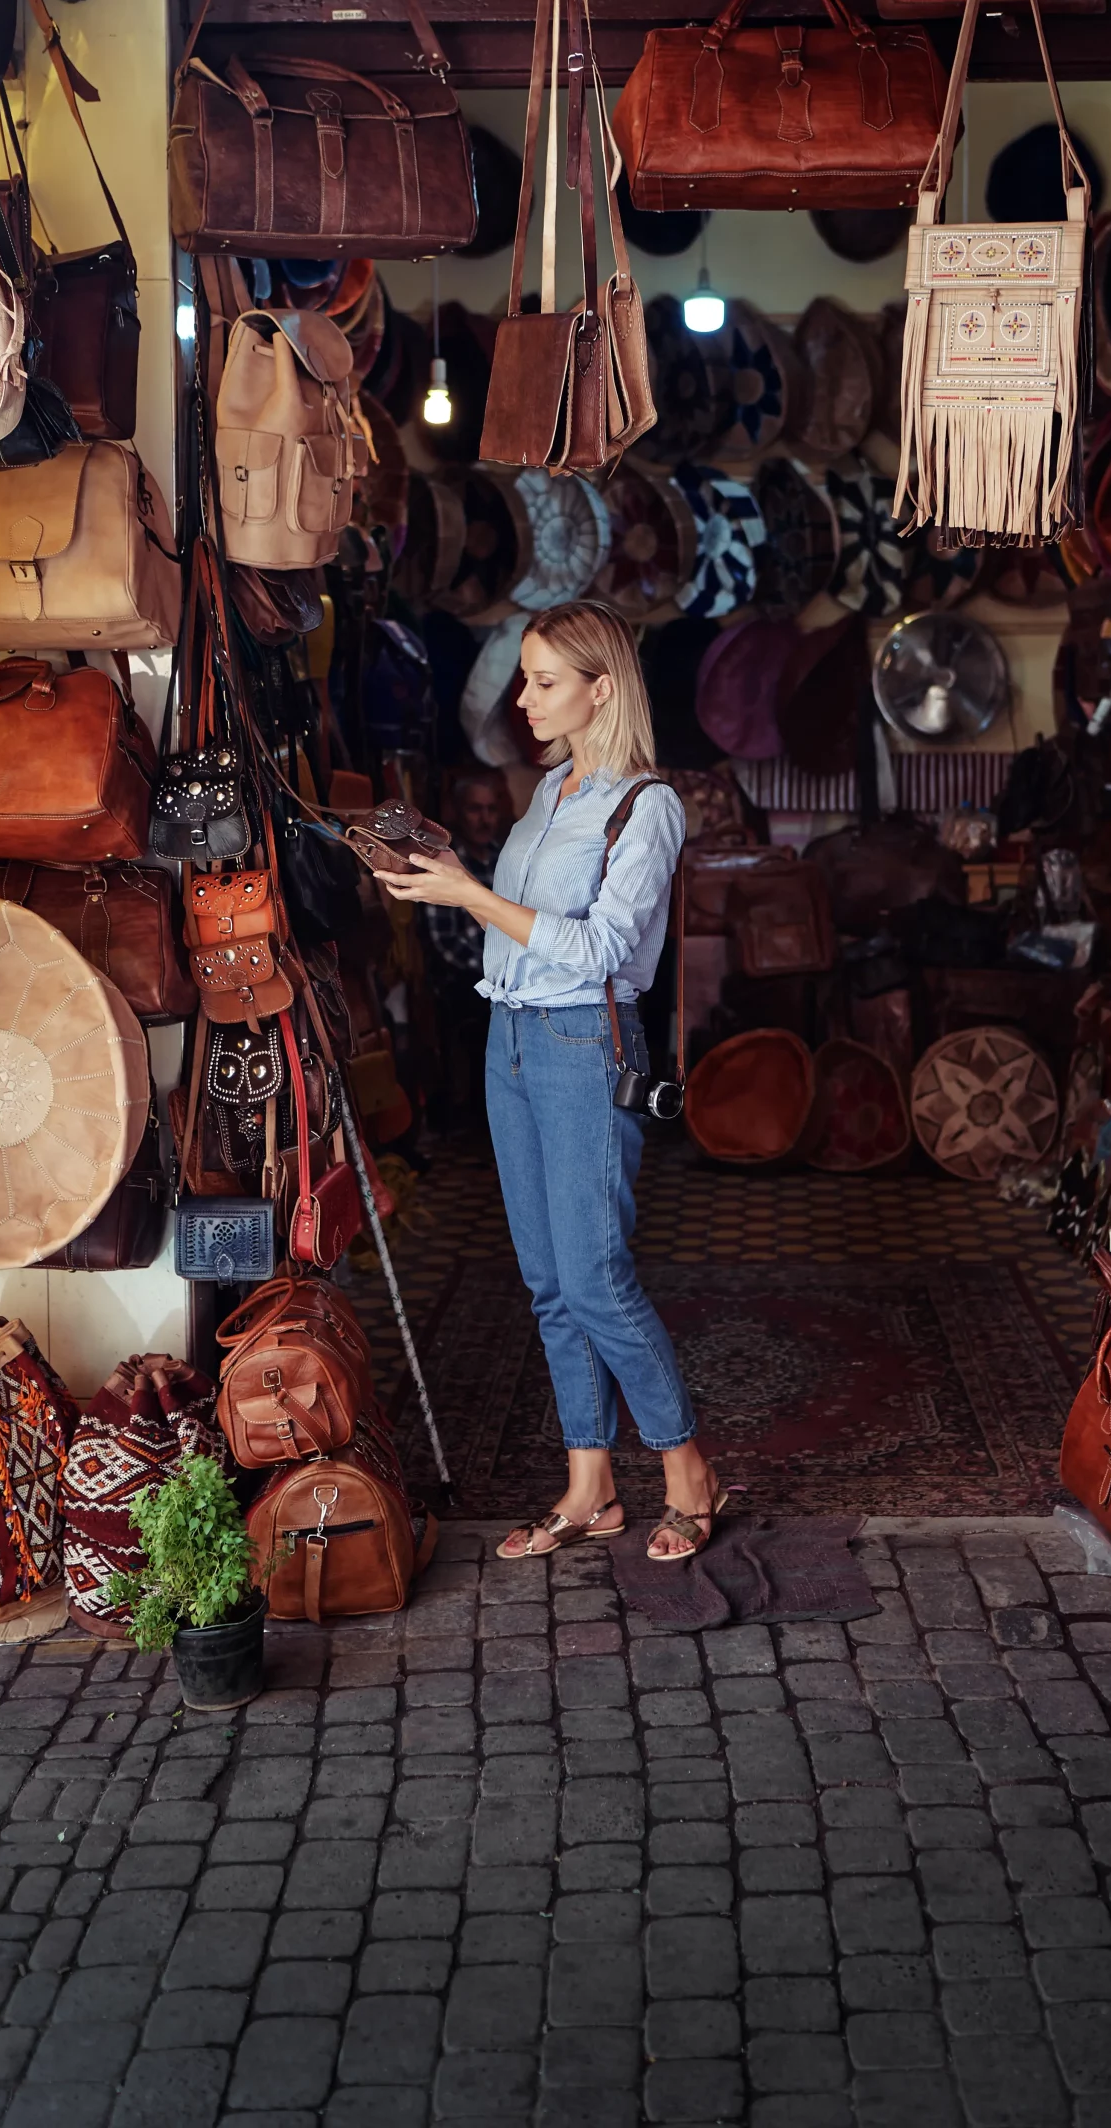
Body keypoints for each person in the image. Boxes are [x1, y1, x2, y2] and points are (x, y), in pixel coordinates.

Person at [378, 598, 722, 1563]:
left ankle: (687, 1468)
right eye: (525, 679)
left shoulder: (644, 806)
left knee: (596, 1276)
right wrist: (448, 870)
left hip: (584, 1046)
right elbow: (523, 928)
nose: (523, 700)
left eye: (544, 682)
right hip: (514, 1040)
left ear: (599, 690)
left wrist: (476, 894)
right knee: (545, 1282)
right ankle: (591, 1484)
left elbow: (604, 948)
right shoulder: (553, 792)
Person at [418, 770, 512, 1124]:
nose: (484, 819)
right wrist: (497, 968)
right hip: (466, 975)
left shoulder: (507, 859)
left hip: (507, 970)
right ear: (458, 811)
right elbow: (447, 946)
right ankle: (480, 1115)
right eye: (475, 809)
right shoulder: (444, 864)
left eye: (490, 809)